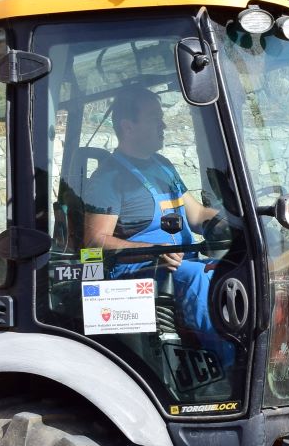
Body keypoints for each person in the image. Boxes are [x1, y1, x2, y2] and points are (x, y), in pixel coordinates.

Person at [82, 85, 228, 359]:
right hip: (142, 269)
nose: (163, 124)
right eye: (154, 119)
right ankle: (224, 362)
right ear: (128, 127)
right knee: (201, 277)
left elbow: (195, 215)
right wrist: (153, 251)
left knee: (231, 269)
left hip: (181, 260)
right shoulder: (108, 178)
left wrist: (230, 220)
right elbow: (94, 241)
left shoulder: (162, 164)